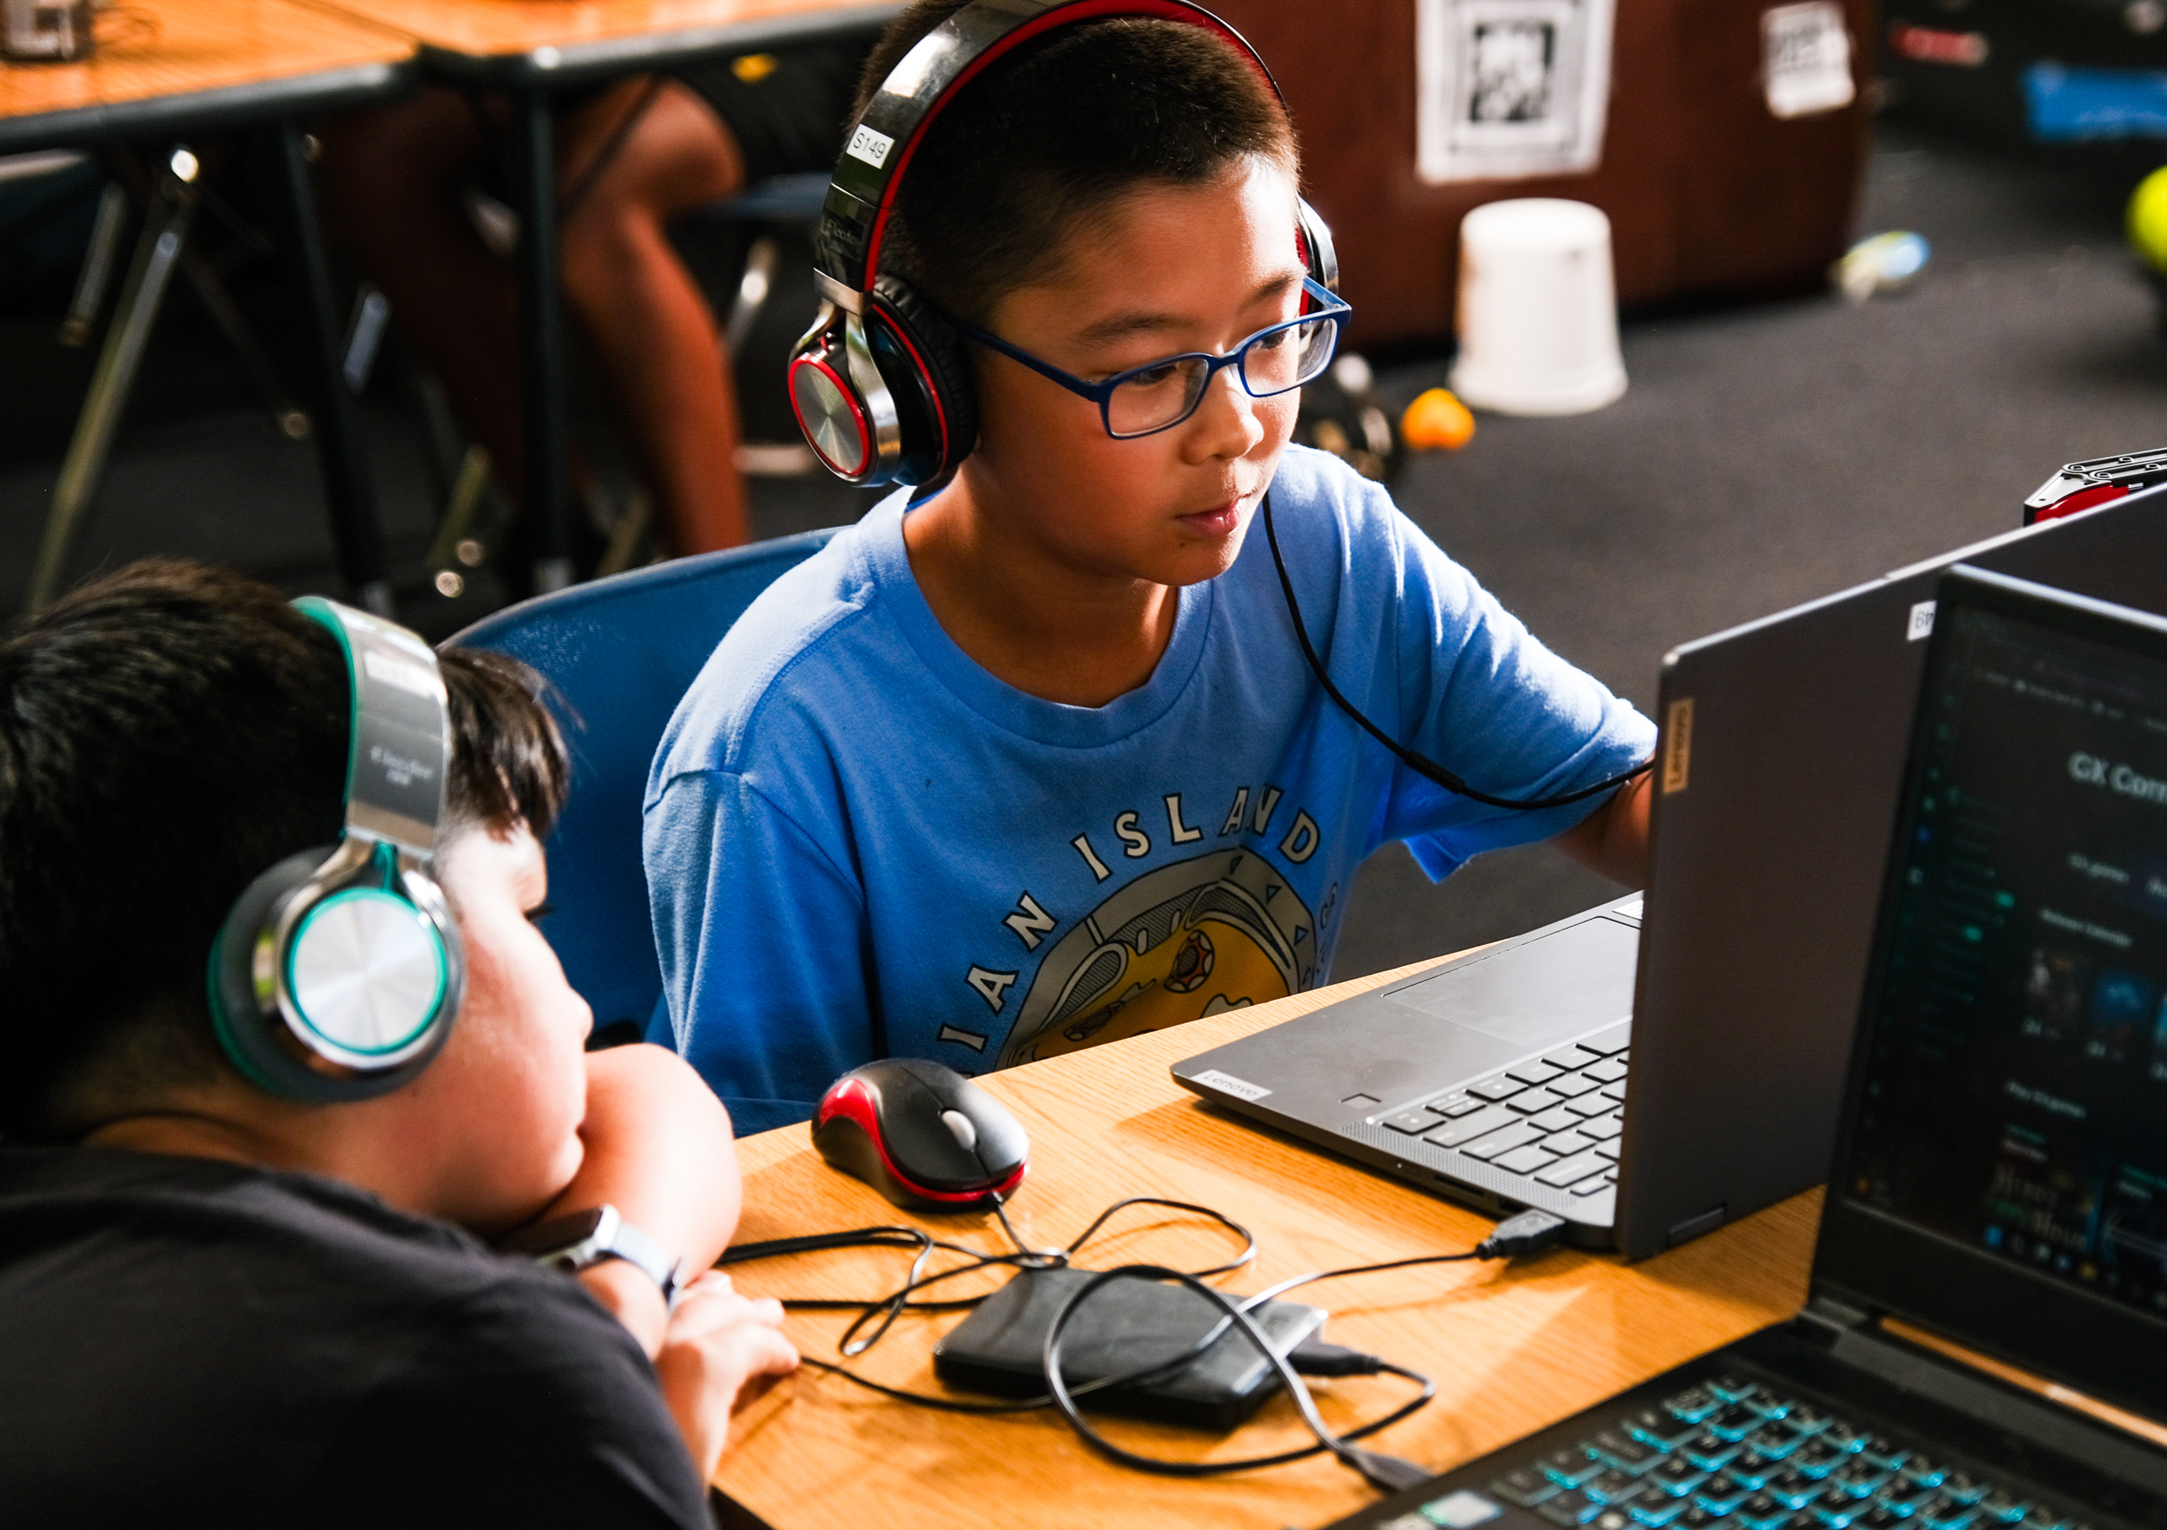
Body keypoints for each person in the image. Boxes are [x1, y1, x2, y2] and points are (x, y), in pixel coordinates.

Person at [642, 0, 1658, 1135]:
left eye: (1272, 333)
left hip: (1264, 1236)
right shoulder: (783, 755)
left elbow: (1624, 799)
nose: (1237, 430)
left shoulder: (1322, 551)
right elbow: (772, 1206)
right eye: (1151, 372)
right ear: (928, 384)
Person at [0, 561, 798, 1526]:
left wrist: (612, 1291)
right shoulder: (475, 1379)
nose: (579, 1007)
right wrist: (637, 1437)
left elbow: (647, 1089)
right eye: (529, 913)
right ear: (360, 965)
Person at [322, 39, 872, 568]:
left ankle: (709, 589)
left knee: (593, 194)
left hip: (809, 39)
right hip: (608, 40)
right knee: (371, 162)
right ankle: (560, 529)